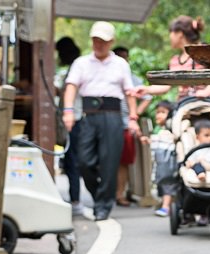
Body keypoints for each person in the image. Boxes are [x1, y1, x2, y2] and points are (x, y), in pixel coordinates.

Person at [62, 21, 139, 221]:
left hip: (113, 116)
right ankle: (99, 196)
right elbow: (71, 87)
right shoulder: (81, 63)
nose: (99, 44)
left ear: (111, 42)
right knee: (84, 162)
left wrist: (133, 117)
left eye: (103, 41)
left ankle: (103, 206)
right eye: (96, 40)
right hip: (89, 116)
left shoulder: (121, 64)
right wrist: (68, 111)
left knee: (109, 162)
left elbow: (129, 92)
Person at [133, 15, 210, 102]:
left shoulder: (205, 51)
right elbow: (166, 85)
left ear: (179, 33)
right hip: (184, 103)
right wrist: (146, 90)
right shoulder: (175, 60)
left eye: (171, 33)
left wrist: (206, 91)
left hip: (207, 102)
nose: (170, 37)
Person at [112, 46, 153, 206]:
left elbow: (147, 97)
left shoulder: (132, 78)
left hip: (126, 125)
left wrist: (134, 114)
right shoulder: (107, 76)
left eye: (125, 57)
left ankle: (120, 193)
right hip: (107, 123)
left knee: (124, 161)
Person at [55, 37, 85, 216]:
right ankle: (74, 198)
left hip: (74, 119)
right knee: (70, 159)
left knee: (72, 160)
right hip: (71, 118)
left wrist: (68, 114)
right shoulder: (75, 67)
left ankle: (76, 199)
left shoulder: (78, 67)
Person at [142, 100, 178, 217]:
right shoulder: (159, 129)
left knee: (168, 183)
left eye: (162, 112)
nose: (159, 115)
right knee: (163, 183)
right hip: (161, 161)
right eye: (157, 112)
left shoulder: (172, 128)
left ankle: (166, 207)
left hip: (169, 161)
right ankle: (167, 204)